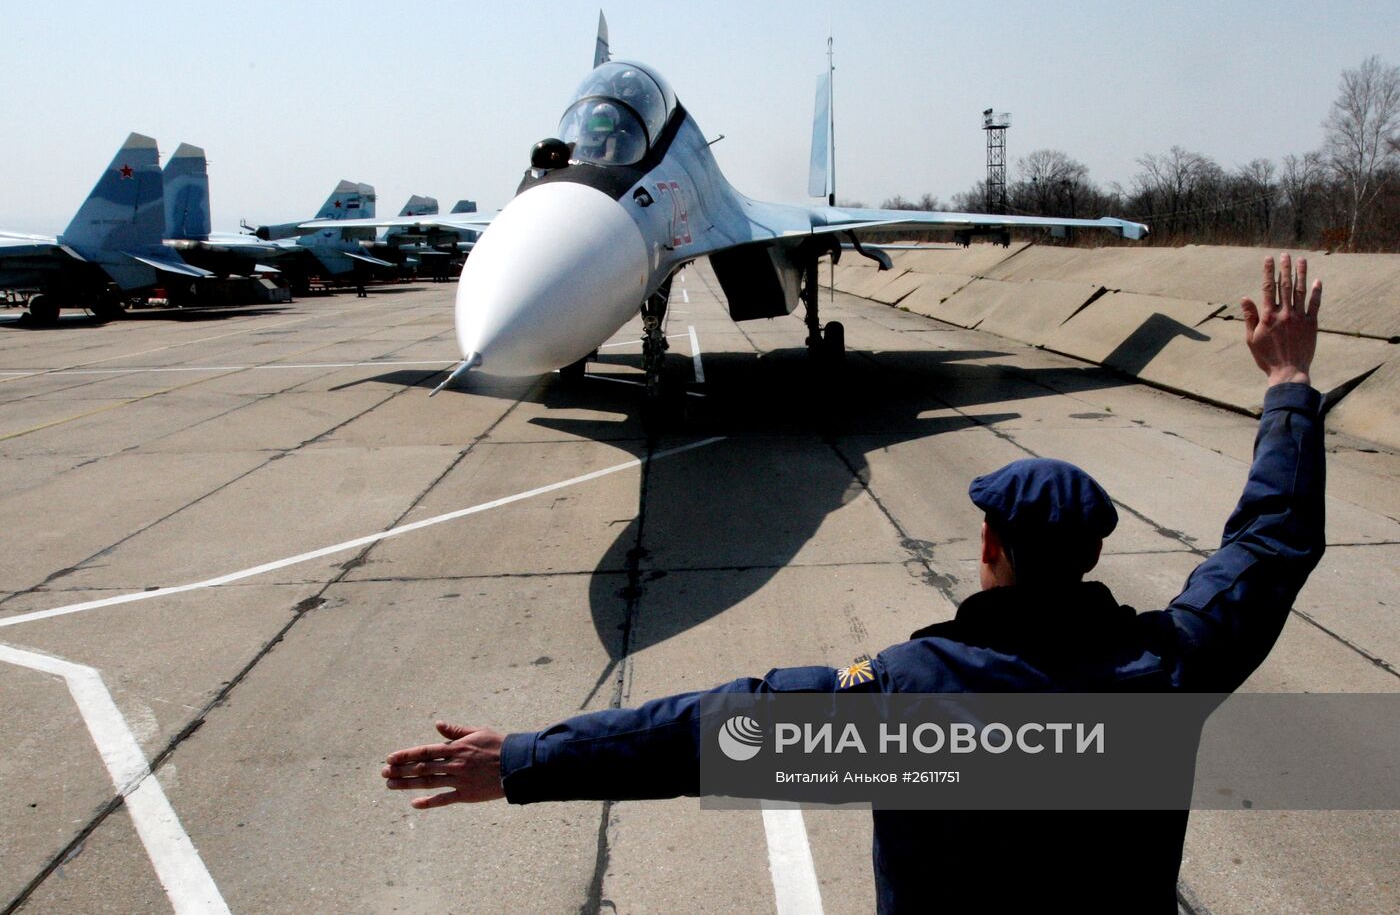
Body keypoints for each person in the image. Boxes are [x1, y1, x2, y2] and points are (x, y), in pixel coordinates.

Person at [384, 255, 1325, 912]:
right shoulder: (1170, 670)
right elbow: (1271, 543)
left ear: (989, 542)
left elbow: (699, 738)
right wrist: (1287, 381)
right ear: (1087, 556)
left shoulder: (906, 699)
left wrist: (524, 761)